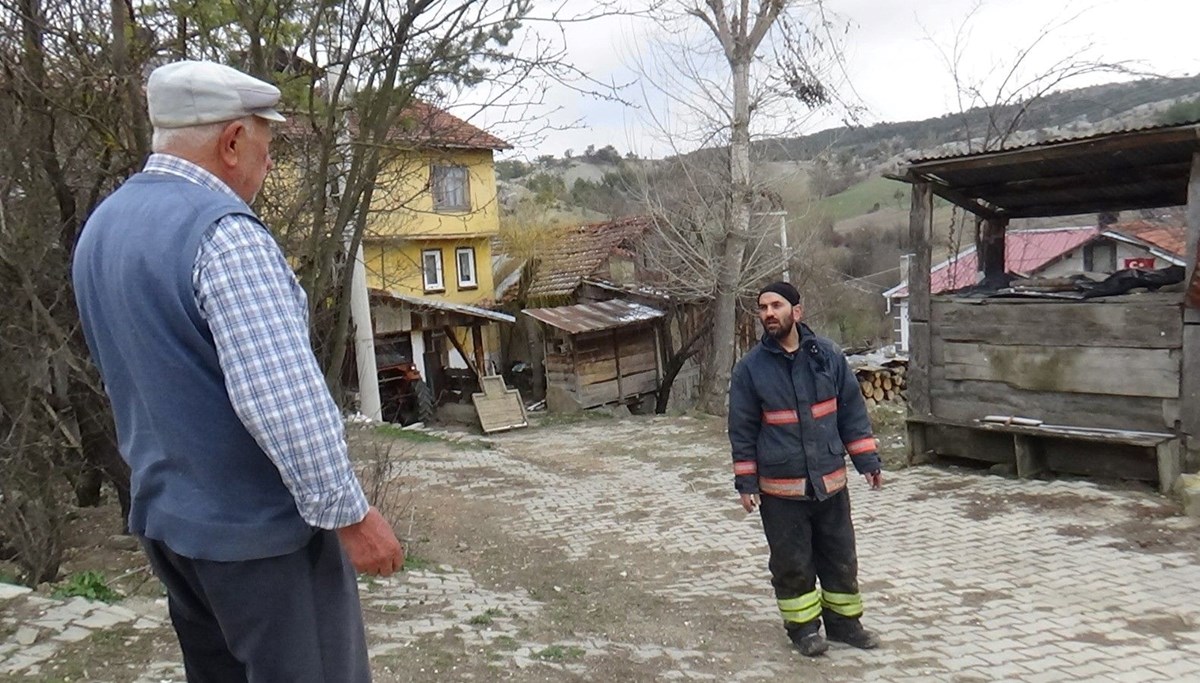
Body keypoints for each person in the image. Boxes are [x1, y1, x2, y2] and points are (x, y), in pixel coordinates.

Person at [72, 60, 403, 682]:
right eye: (267, 143)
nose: (269, 162)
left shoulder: (102, 229)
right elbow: (281, 401)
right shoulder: (224, 235)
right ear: (231, 142)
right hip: (262, 540)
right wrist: (352, 515)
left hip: (173, 528)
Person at [728, 281, 883, 658]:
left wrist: (867, 461)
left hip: (830, 482)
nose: (768, 313)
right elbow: (742, 428)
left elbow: (851, 412)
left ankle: (845, 625)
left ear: (796, 312)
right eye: (763, 307)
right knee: (793, 562)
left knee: (840, 556)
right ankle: (803, 630)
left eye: (776, 305)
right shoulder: (750, 369)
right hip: (781, 490)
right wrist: (746, 483)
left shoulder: (827, 356)